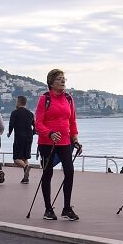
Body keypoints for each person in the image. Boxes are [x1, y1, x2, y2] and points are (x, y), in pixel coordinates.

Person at [34, 68, 81, 221]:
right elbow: (38, 123)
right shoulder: (44, 99)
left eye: (63, 79)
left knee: (69, 172)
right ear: (51, 82)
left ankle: (67, 208)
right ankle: (48, 208)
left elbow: (72, 121)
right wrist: (49, 133)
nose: (63, 81)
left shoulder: (69, 99)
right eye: (59, 79)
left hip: (65, 142)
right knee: (47, 174)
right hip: (47, 143)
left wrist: (75, 139)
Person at [7, 95, 35, 184]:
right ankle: (26, 178)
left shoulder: (14, 113)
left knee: (16, 159)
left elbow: (11, 125)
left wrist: (9, 133)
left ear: (19, 102)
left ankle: (25, 167)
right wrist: (33, 133)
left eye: (16, 101)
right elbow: (35, 125)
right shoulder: (30, 113)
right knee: (25, 157)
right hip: (29, 138)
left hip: (19, 137)